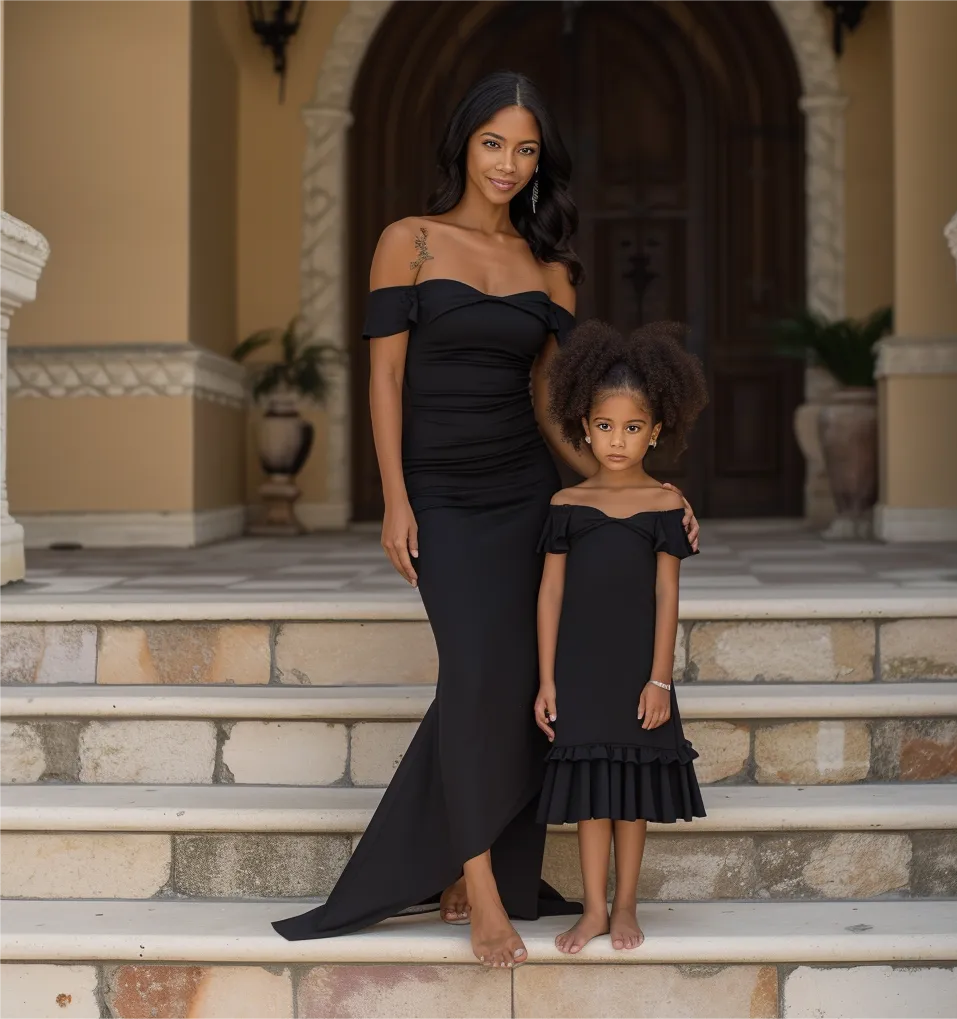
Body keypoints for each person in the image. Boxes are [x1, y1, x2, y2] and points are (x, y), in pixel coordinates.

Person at [273, 71, 699, 968]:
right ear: (464, 144)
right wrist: (393, 496)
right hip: (439, 492)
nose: (508, 164)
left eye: (527, 149)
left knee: (512, 681)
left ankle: (470, 872)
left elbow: (554, 403)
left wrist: (629, 488)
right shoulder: (409, 242)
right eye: (493, 143)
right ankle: (482, 890)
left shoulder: (551, 270)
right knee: (474, 673)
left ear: (542, 163)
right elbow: (384, 379)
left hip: (523, 491)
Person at [533, 319, 709, 955]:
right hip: (579, 670)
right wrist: (548, 678)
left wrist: (660, 678)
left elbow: (668, 594)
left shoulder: (664, 507)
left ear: (655, 431)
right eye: (605, 426)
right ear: (584, 425)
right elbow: (550, 593)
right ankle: (593, 909)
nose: (617, 439)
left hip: (639, 671)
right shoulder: (565, 503)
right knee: (591, 798)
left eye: (633, 427)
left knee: (630, 791)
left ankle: (628, 906)